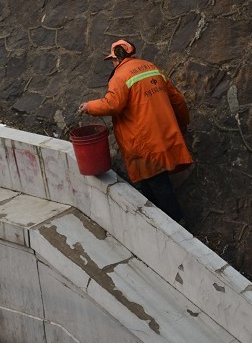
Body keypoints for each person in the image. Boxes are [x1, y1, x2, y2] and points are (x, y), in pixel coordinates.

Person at [78, 39, 193, 222]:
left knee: (158, 184)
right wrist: (183, 124)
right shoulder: (151, 67)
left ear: (117, 59)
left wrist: (89, 106)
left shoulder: (120, 76)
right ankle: (157, 223)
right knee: (149, 183)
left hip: (144, 142)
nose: (113, 64)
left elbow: (113, 104)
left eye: (113, 60)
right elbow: (177, 100)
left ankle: (179, 226)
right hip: (164, 135)